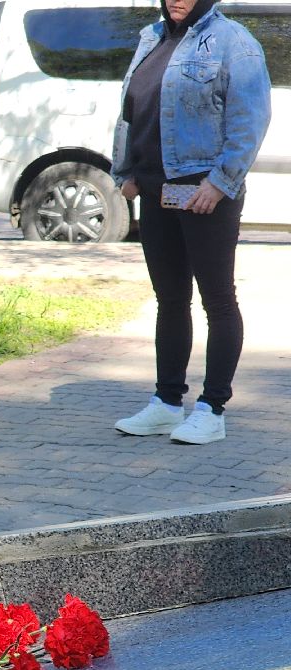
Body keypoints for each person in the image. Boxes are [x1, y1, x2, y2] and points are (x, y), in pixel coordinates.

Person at [111, 0, 270, 446]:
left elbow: (250, 120)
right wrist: (124, 172)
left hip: (204, 191)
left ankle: (212, 409)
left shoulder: (233, 42)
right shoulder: (151, 36)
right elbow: (130, 108)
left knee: (217, 299)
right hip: (157, 189)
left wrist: (220, 183)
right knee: (170, 299)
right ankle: (166, 404)